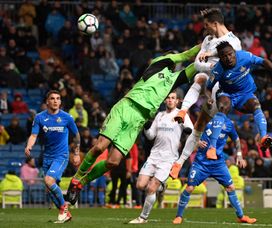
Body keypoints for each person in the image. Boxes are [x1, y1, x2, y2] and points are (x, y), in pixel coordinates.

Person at [66, 44, 201, 206]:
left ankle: (81, 183)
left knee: (113, 162)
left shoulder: (173, 80)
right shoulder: (157, 65)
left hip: (139, 120)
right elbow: (187, 55)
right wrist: (207, 43)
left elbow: (196, 66)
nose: (174, 59)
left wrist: (210, 55)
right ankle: (76, 179)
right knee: (100, 147)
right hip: (127, 107)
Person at [171, 8, 242, 178]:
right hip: (207, 78)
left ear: (215, 24)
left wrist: (211, 66)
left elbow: (232, 67)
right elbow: (196, 64)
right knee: (200, 77)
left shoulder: (234, 42)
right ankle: (183, 111)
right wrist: (211, 66)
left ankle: (183, 161)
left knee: (198, 128)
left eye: (207, 25)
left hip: (221, 87)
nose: (205, 29)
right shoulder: (208, 39)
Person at [197, 41, 272, 161]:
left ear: (234, 52)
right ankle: (212, 147)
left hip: (246, 94)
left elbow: (263, 61)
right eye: (224, 56)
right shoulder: (218, 70)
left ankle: (263, 138)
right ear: (220, 58)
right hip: (227, 94)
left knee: (256, 106)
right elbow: (208, 88)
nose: (228, 58)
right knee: (223, 107)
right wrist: (209, 98)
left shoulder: (244, 56)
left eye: (230, 54)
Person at [172, 115, 256, 224]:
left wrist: (239, 155)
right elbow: (193, 135)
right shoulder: (205, 119)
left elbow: (236, 139)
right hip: (201, 163)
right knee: (189, 188)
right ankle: (178, 216)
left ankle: (241, 216)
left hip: (218, 163)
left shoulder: (229, 124)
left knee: (230, 187)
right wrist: (197, 142)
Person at [129, 91, 193, 224]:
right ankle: (161, 187)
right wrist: (146, 128)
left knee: (151, 188)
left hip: (169, 158)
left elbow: (190, 129)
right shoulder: (159, 115)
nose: (170, 100)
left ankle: (143, 217)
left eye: (173, 98)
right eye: (168, 98)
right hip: (154, 156)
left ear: (177, 101)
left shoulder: (182, 114)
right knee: (140, 185)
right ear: (165, 101)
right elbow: (151, 136)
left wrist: (186, 129)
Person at [25, 90, 80, 223]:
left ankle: (63, 208)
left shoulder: (67, 117)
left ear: (60, 101)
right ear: (47, 102)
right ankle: (66, 214)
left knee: (49, 180)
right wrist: (29, 146)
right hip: (47, 157)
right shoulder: (39, 117)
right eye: (52, 98)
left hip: (61, 156)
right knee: (50, 189)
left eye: (58, 98)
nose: (55, 101)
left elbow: (77, 136)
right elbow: (33, 135)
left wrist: (77, 152)